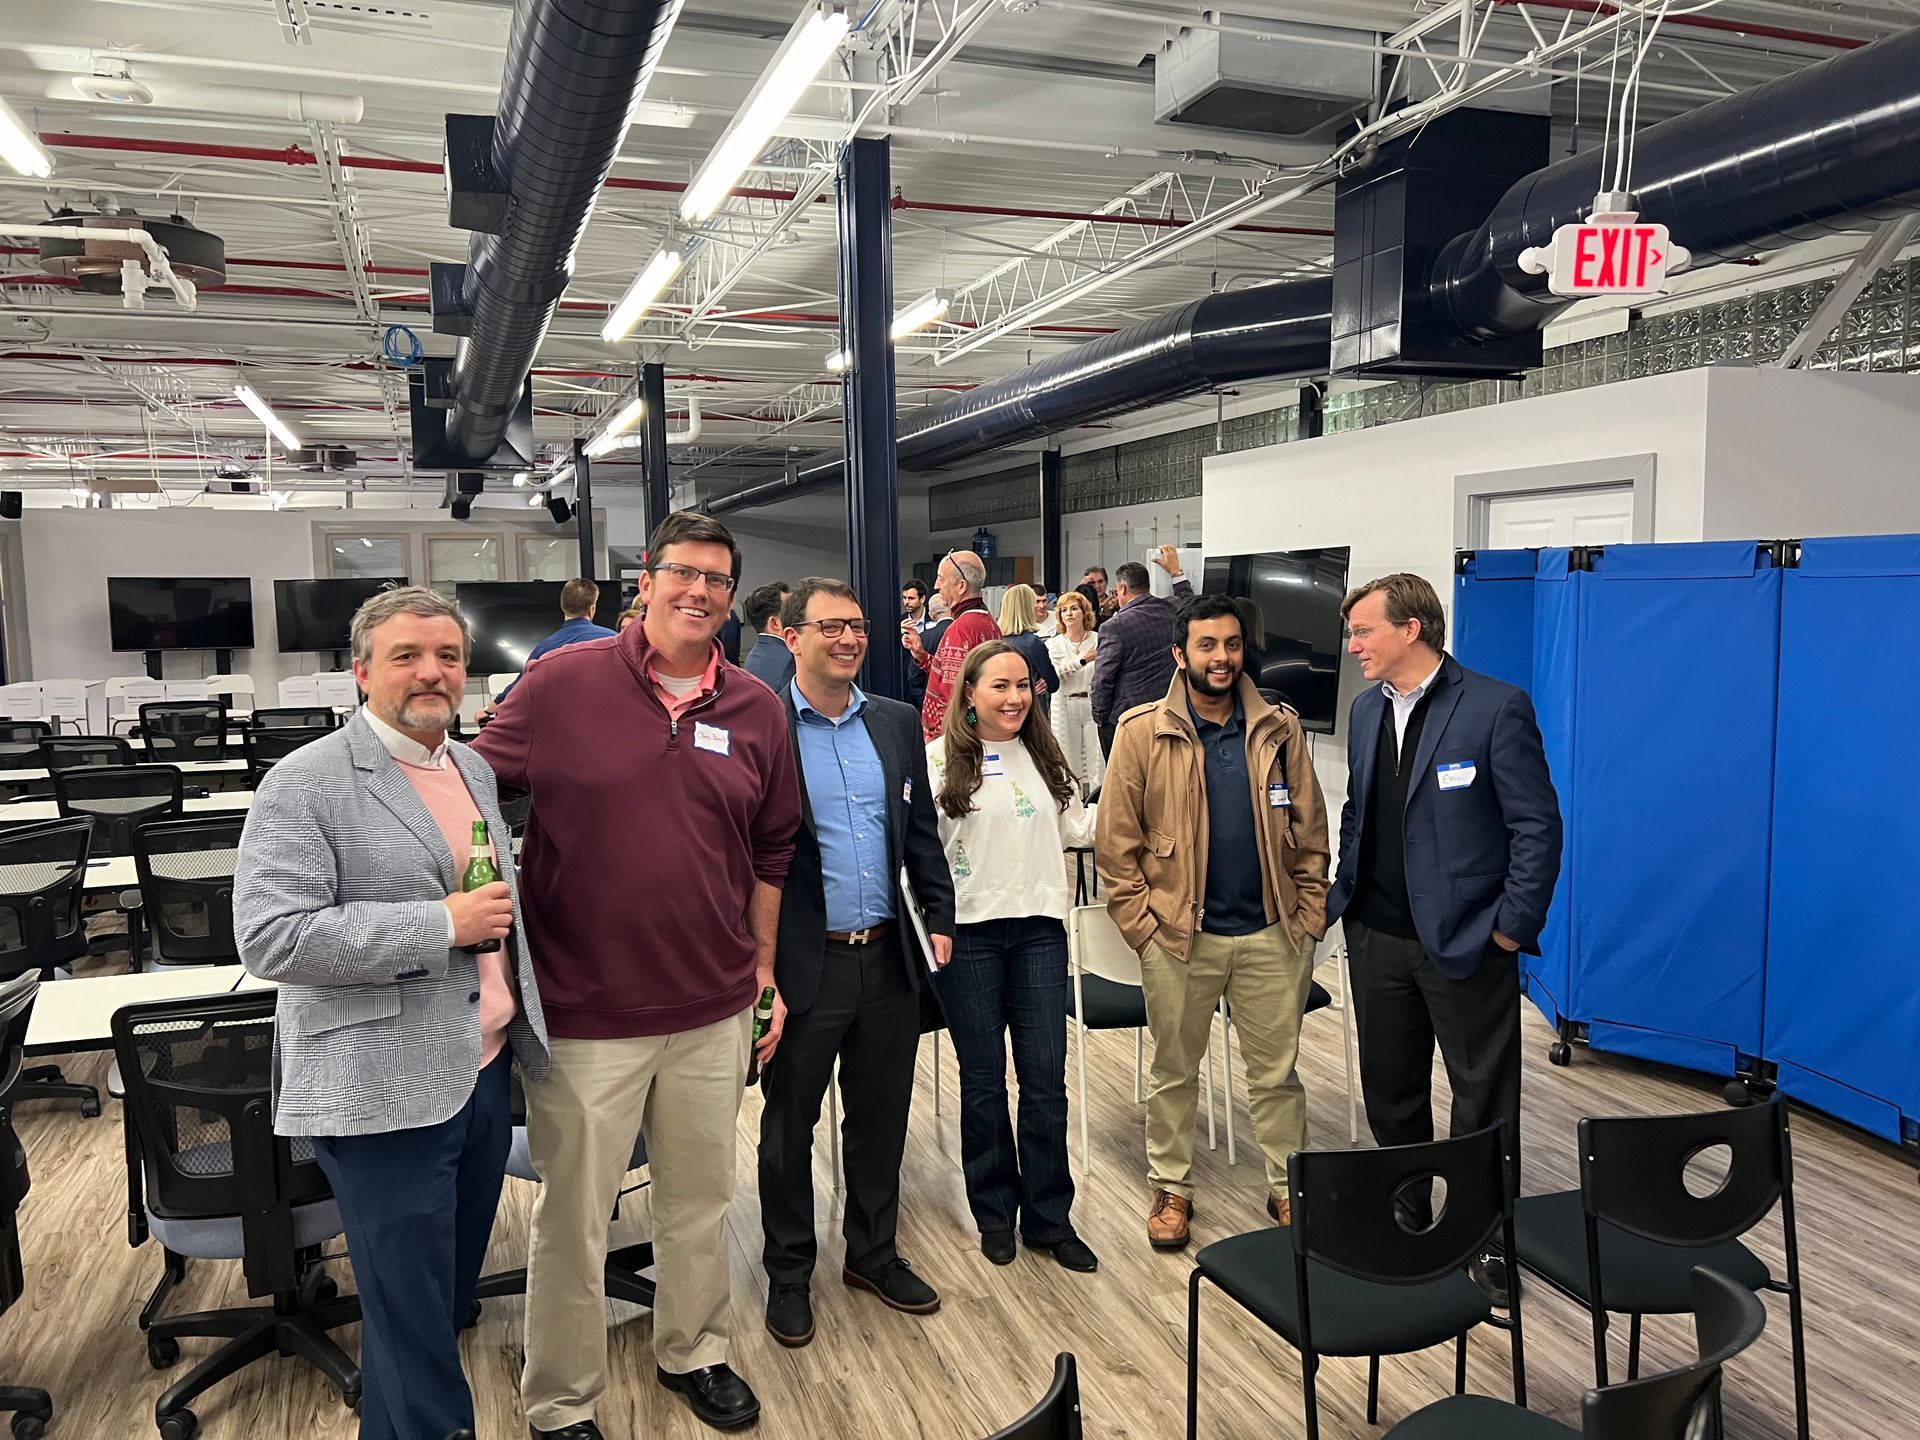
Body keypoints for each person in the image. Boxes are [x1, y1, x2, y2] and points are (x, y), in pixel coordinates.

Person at [472, 511, 803, 1437]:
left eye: (717, 580)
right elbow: (470, 794)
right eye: (682, 573)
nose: (699, 592)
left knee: (699, 1202)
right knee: (573, 1220)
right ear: (645, 582)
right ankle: (561, 1398)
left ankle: (693, 1350)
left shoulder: (755, 709)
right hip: (586, 1010)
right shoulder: (560, 684)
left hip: (713, 1005)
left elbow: (772, 851)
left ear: (732, 599)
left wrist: (764, 974)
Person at [233, 585, 550, 1440]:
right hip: (381, 1090)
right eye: (407, 655)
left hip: (479, 1073)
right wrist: (440, 925)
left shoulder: (470, 766)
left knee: (437, 1299)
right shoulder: (305, 782)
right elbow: (272, 939)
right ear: (362, 671)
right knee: (412, 1316)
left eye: (448, 657)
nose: (431, 672)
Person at [1326, 573, 1561, 1305]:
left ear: (1412, 629)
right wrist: (1343, 894)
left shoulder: (1495, 707)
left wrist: (1511, 928)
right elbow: (1359, 810)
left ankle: (1486, 1237)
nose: (1353, 645)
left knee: (1481, 1099)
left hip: (1467, 942)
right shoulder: (1366, 710)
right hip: (1377, 935)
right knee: (1390, 1090)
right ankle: (1407, 1218)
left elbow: (1537, 827)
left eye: (1363, 631)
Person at [1097, 592, 1331, 1249]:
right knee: (1173, 1072)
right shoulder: (1141, 732)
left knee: (1276, 1075)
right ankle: (1172, 1188)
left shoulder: (1280, 728)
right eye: (1207, 645)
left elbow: (1311, 828)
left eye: (1231, 644)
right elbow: (1115, 844)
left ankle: (1288, 1187)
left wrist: (1309, 911)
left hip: (1272, 933)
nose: (1222, 657)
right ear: (1181, 654)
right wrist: (1143, 925)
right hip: (1179, 936)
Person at [758, 577, 956, 1349]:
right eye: (831, 627)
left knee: (880, 1120)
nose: (849, 639)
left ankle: (872, 1254)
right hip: (805, 966)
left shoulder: (896, 722)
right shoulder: (764, 727)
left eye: (858, 626)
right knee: (789, 1127)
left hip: (888, 956)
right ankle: (788, 1271)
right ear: (792, 636)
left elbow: (921, 831)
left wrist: (939, 914)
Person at [928, 641, 1099, 1275]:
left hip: (1040, 934)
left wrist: (1137, 801)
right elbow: (922, 856)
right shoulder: (938, 760)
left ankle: (1051, 1219)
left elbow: (1077, 831)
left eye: (1023, 685)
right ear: (970, 694)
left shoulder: (1045, 757)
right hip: (967, 937)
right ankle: (995, 1214)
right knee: (983, 1082)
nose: (1014, 697)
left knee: (1045, 1080)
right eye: (999, 686)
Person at [1090, 547, 1192, 757]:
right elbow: (1191, 603)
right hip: (1171, 712)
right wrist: (1176, 573)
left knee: (1125, 775)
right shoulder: (1172, 608)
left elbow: (1103, 679)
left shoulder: (1113, 627)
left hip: (1128, 719)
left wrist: (1101, 718)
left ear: (1122, 588)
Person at [901, 549, 1000, 740]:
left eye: (941, 579)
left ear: (961, 586)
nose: (936, 586)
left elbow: (951, 698)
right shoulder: (989, 622)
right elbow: (953, 674)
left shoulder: (960, 629)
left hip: (953, 740)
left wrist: (942, 744)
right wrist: (921, 655)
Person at [480, 577, 614, 716]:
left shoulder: (545, 649)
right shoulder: (614, 640)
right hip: (609, 718)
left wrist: (489, 709)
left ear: (563, 607)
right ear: (592, 608)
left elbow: (520, 687)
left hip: (562, 722)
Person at [1045, 590, 1101, 795]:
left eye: (1074, 608)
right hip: (1064, 703)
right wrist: (1082, 660)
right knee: (1067, 760)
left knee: (1097, 762)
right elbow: (1056, 674)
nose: (1068, 613)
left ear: (1084, 612)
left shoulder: (1098, 639)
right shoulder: (1053, 643)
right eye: (1064, 610)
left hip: (1092, 703)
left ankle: (1097, 804)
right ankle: (1073, 805)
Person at [995, 584, 1060, 718]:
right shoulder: (1033, 643)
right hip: (1031, 713)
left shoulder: (994, 642)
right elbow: (1054, 684)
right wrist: (1045, 681)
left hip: (1002, 712)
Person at [741, 580, 796, 694]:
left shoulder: (751, 659)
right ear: (775, 624)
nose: (798, 616)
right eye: (790, 610)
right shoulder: (790, 661)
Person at [901, 578, 935, 710]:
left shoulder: (934, 620)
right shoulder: (899, 621)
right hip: (905, 684)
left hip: (927, 681)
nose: (906, 602)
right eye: (904, 598)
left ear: (922, 599)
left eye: (911, 598)